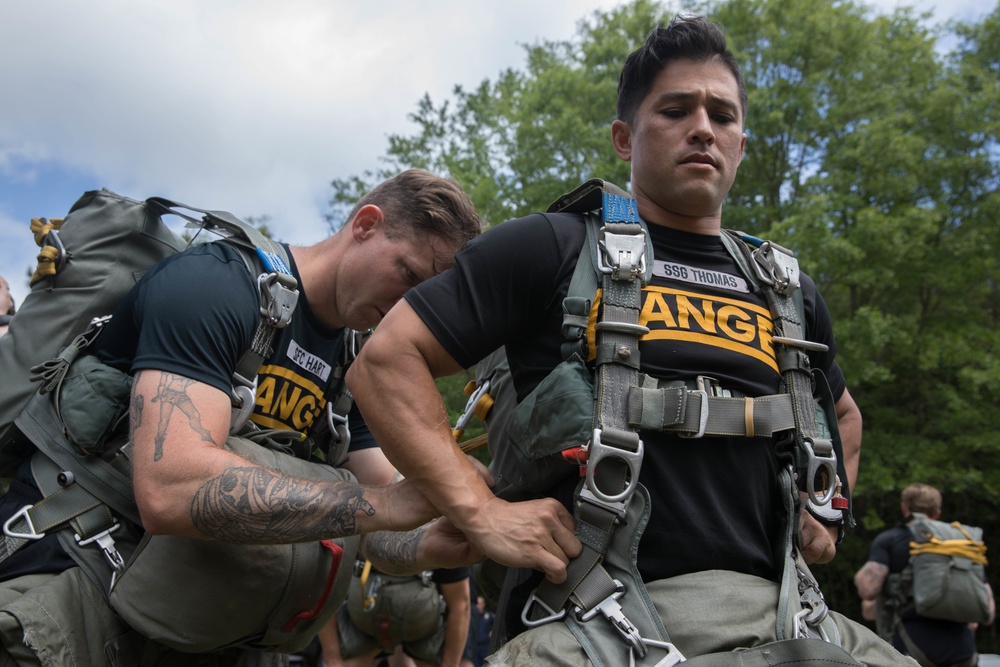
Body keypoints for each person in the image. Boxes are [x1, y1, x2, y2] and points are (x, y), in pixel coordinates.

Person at [345, 15, 915, 666]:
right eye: (676, 109)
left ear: (741, 143)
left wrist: (827, 508)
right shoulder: (551, 247)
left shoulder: (786, 290)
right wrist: (477, 510)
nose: (703, 127)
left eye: (722, 116)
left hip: (786, 618)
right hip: (594, 622)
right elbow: (385, 361)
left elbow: (842, 412)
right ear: (624, 136)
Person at [0, 169, 487, 665]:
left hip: (197, 616)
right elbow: (170, 488)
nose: (407, 306)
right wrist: (385, 506)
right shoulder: (217, 282)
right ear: (365, 225)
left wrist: (437, 536)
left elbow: (379, 524)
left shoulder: (354, 364)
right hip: (80, 574)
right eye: (408, 275)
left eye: (423, 299)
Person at [854, 483, 995, 667]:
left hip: (911, 650)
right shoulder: (960, 544)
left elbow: (868, 589)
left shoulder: (891, 539)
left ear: (904, 507)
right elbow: (989, 609)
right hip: (963, 652)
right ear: (937, 512)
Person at [317, 564, 471, 667]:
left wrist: (333, 659)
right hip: (364, 626)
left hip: (421, 625)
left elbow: (460, 605)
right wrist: (333, 659)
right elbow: (323, 585)